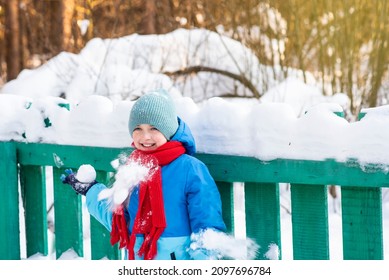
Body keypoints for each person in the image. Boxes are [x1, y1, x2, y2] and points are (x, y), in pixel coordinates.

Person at [61, 88, 226, 260]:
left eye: (154, 128)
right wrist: (91, 190)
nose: (145, 136)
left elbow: (207, 228)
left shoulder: (190, 169)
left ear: (168, 130)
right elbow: (120, 222)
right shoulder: (133, 167)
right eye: (138, 128)